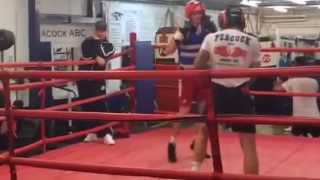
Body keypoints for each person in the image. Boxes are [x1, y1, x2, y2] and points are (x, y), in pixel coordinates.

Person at [193, 7, 260, 173]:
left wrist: (207, 81)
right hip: (240, 93)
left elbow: (198, 65)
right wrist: (245, 84)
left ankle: (194, 171)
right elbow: (256, 70)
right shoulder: (252, 41)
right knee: (248, 142)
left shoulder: (211, 37)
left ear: (223, 20)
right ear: (243, 21)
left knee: (203, 131)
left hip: (217, 90)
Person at [162, 0, 217, 163]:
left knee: (204, 112)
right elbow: (168, 51)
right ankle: (172, 142)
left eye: (199, 13)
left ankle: (198, 143)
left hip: (204, 75)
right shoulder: (183, 31)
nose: (197, 16)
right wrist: (177, 37)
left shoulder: (209, 30)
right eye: (194, 13)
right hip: (187, 76)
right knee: (183, 111)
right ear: (189, 15)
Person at [76, 20, 116, 145]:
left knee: (100, 105)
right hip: (84, 78)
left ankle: (107, 133)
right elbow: (87, 54)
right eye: (100, 30)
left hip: (97, 79)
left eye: (103, 30)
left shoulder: (108, 45)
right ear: (97, 30)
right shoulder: (87, 42)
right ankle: (92, 132)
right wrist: (95, 57)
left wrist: (95, 56)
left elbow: (104, 56)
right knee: (87, 105)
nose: (102, 33)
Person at [274, 56, 320, 137]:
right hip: (315, 117)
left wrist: (281, 78)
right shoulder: (314, 81)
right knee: (315, 144)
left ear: (296, 66)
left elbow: (276, 89)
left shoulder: (292, 81)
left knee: (295, 143)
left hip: (300, 118)